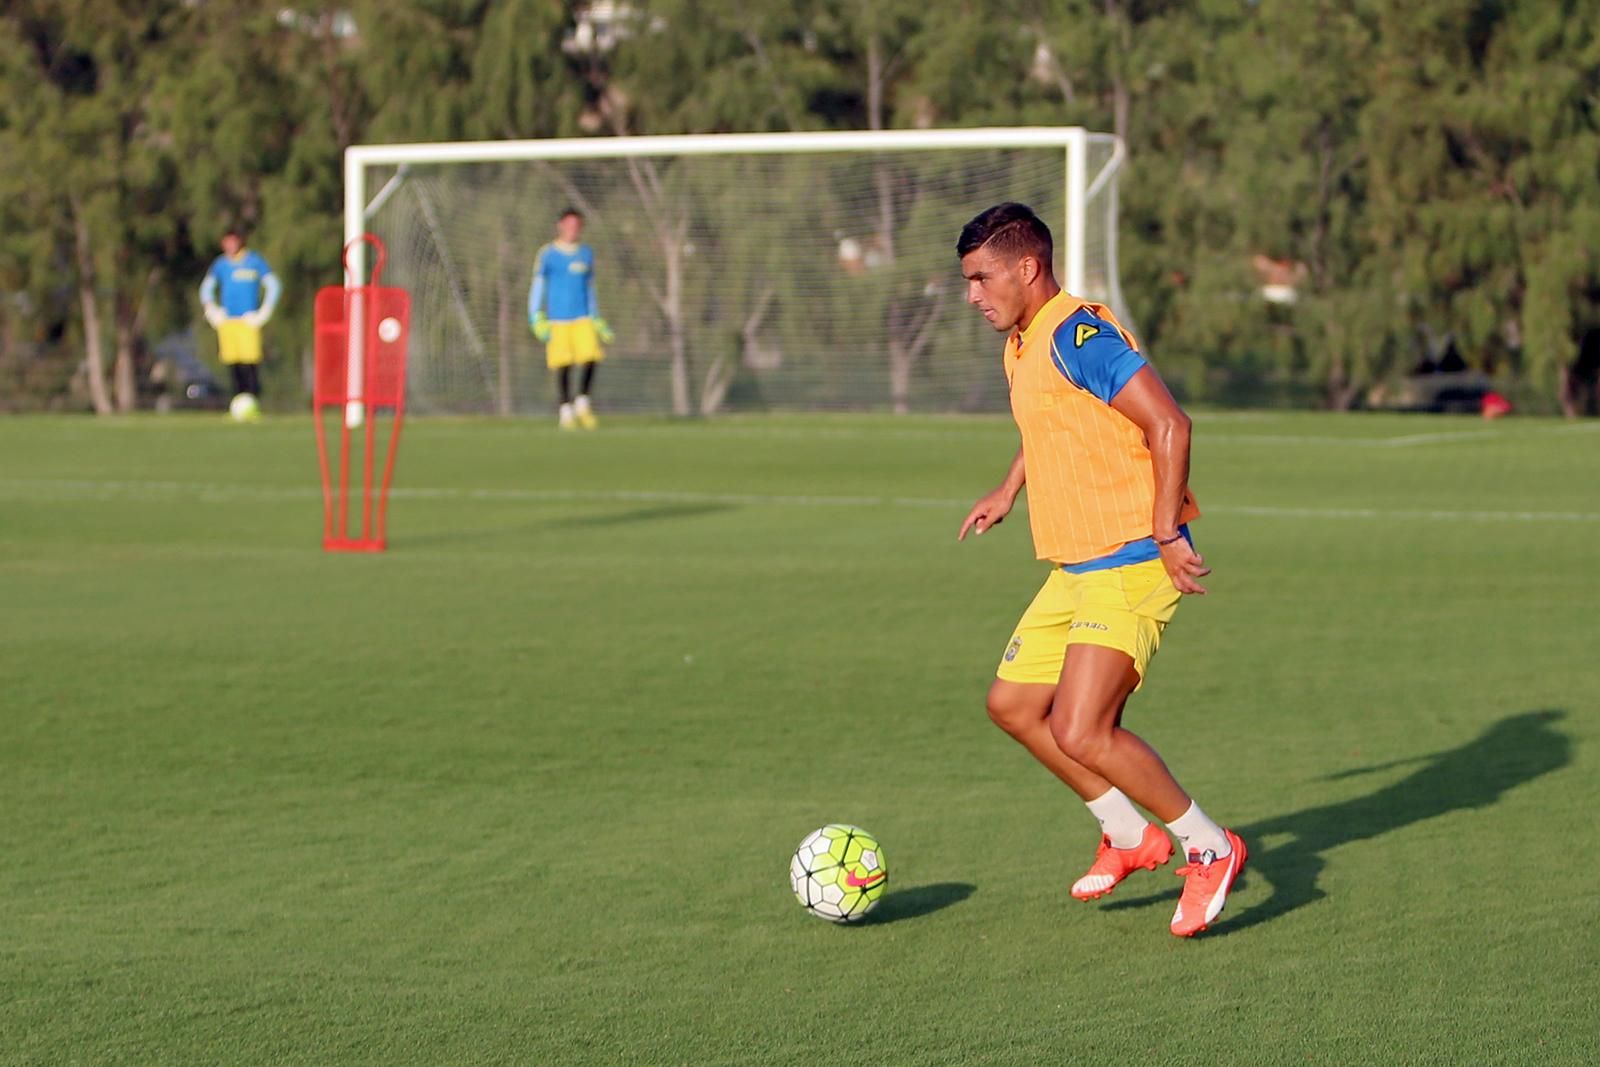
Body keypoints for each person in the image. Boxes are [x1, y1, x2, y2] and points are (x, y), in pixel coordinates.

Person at [954, 203, 1246, 938]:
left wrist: (1166, 530)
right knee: (1014, 706)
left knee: (1083, 729)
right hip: (1075, 565)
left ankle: (1209, 846)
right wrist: (1009, 487)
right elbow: (1055, 421)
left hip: (1131, 558)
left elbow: (1169, 422)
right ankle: (1126, 833)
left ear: (1027, 268)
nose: (973, 295)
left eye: (982, 277)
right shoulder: (1022, 343)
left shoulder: (1079, 331)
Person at [528, 209, 613, 429]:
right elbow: (538, 285)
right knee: (562, 364)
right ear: (560, 225)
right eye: (569, 225)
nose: (573, 229)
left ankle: (582, 402)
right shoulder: (548, 254)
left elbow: (590, 287)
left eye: (577, 225)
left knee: (591, 356)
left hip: (583, 316)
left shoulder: (586, 253)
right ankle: (565, 409)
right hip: (558, 319)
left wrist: (596, 317)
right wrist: (536, 315)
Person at [199, 230, 280, 415]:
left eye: (233, 241)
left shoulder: (254, 261)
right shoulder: (220, 265)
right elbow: (206, 289)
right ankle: (237, 404)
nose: (230, 246)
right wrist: (211, 310)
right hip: (228, 322)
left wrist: (264, 312)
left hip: (248, 321)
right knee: (233, 364)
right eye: (227, 242)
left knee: (249, 363)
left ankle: (253, 403)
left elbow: (274, 285)